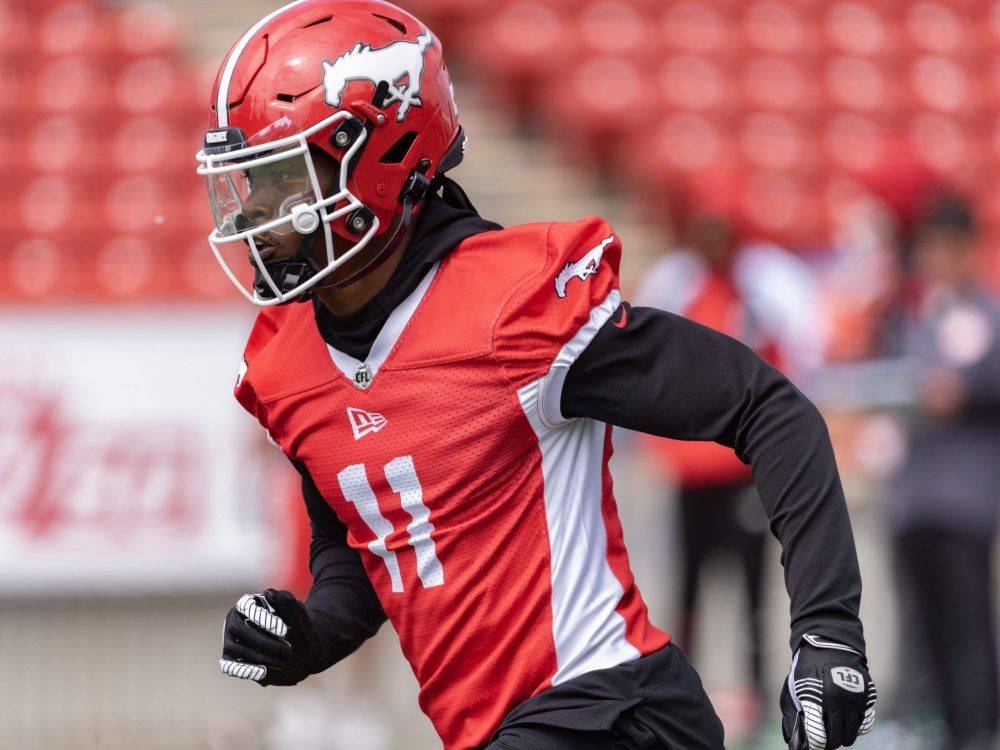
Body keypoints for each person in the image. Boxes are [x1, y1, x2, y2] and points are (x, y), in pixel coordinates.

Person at [197, 2, 877, 748]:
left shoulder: (511, 304)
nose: (259, 213)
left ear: (383, 156)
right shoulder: (286, 360)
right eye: (251, 185)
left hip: (616, 708)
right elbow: (362, 551)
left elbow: (767, 407)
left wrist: (828, 634)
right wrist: (307, 637)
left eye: (285, 179)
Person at [634, 171, 826, 733]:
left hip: (743, 473)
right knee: (688, 588)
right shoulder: (677, 283)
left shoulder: (765, 289)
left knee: (753, 593)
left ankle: (763, 700)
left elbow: (794, 366)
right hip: (692, 472)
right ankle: (682, 699)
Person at [884, 193, 1000, 750]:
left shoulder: (987, 315)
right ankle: (926, 724)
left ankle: (976, 728)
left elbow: (979, 383)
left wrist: (963, 391)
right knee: (919, 624)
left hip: (966, 496)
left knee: (967, 623)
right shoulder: (911, 317)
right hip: (913, 494)